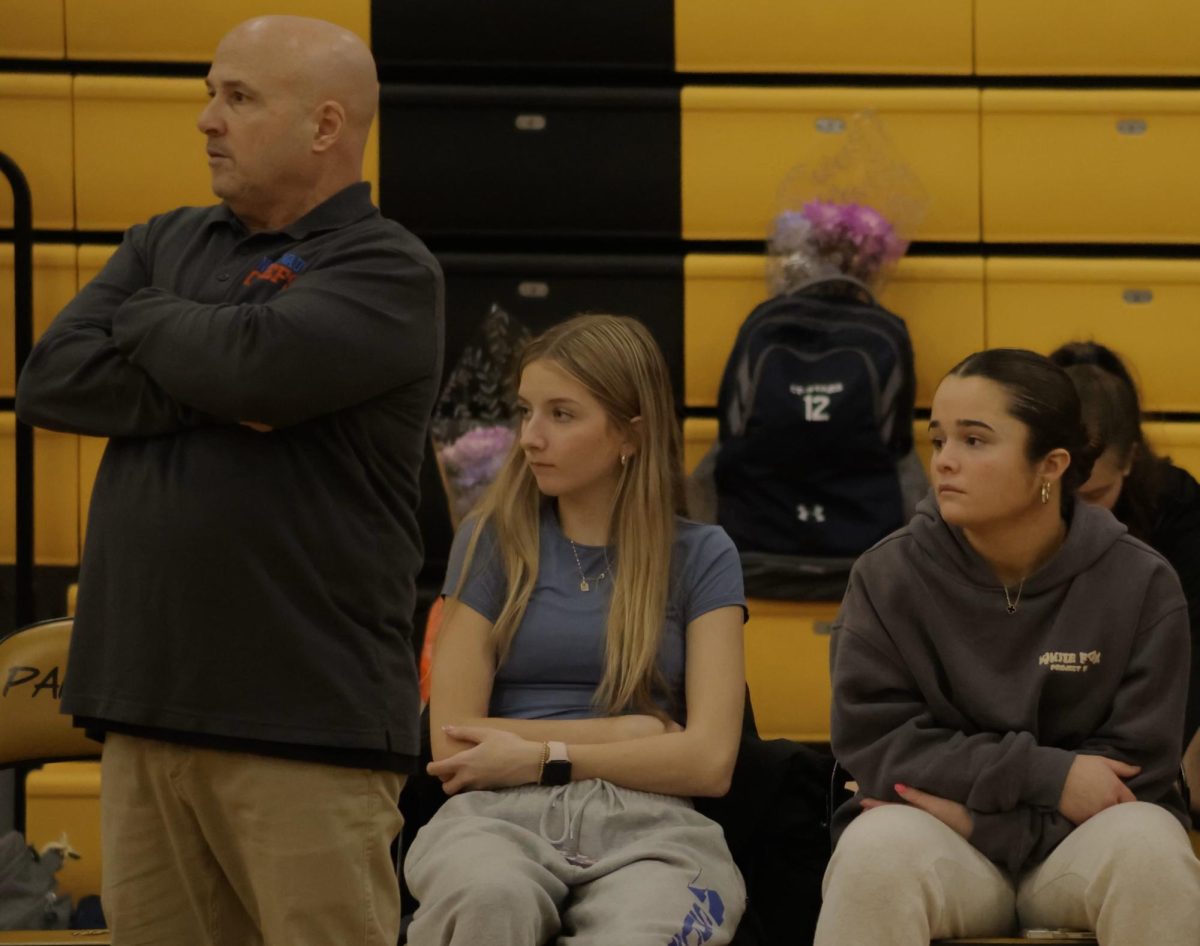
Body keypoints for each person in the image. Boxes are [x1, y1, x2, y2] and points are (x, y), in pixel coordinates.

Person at [15, 15, 442, 946]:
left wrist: (166, 331)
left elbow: (256, 371)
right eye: (210, 92)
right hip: (140, 708)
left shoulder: (387, 266)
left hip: (302, 726)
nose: (207, 119)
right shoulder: (167, 236)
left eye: (239, 97)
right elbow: (50, 378)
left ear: (326, 126)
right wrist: (224, 363)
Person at [815, 349, 1200, 945]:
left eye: (974, 441)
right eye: (939, 439)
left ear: (1050, 464)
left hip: (1074, 846)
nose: (944, 462)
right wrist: (1048, 775)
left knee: (1151, 845)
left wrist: (982, 819)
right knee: (875, 850)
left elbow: (1135, 774)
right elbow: (879, 745)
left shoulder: (1142, 583)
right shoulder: (887, 575)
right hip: (941, 841)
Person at [404, 314, 747, 946]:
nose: (530, 437)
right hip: (493, 820)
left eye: (561, 415)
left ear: (630, 434)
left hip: (654, 826)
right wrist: (629, 731)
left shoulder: (704, 554)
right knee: (489, 896)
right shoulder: (489, 540)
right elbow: (451, 746)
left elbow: (710, 761)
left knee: (652, 929)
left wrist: (540, 757)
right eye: (526, 411)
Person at [1050, 340, 1200, 814]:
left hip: (1144, 708)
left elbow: (1191, 645)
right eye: (1057, 493)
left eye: (1094, 495)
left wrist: (1154, 763)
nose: (1073, 512)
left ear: (1131, 460)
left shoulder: (1175, 505)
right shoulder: (1007, 507)